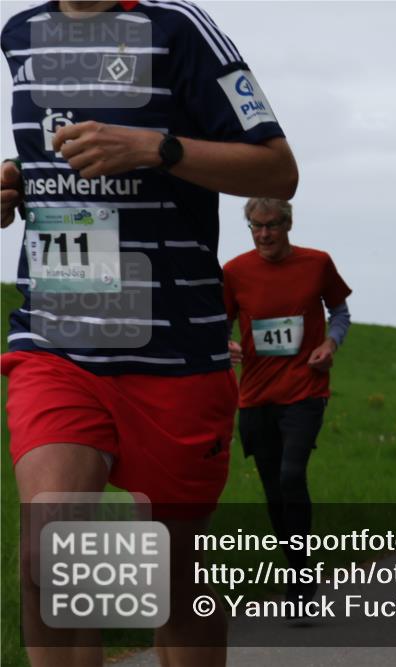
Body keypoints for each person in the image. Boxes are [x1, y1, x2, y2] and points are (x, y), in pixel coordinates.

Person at [1, 1, 296, 664]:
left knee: (174, 579)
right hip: (59, 342)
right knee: (51, 548)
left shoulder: (179, 29)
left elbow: (278, 170)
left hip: (174, 355)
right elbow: (55, 154)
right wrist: (18, 184)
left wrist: (157, 149)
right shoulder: (19, 33)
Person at [224, 198, 351, 605]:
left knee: (292, 475)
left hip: (305, 391)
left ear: (288, 224)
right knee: (273, 488)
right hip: (256, 396)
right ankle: (296, 564)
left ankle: (301, 578)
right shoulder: (235, 272)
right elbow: (218, 322)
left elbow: (341, 311)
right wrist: (223, 344)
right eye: (256, 227)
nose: (264, 235)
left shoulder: (317, 263)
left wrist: (332, 342)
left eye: (272, 226)